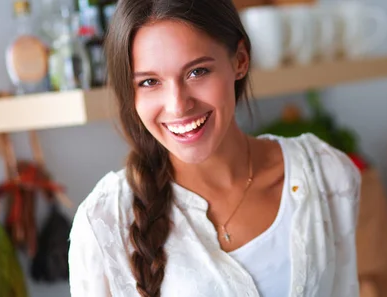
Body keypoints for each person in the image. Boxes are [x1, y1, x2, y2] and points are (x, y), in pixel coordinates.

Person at [68, 0, 361, 296]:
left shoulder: (326, 175)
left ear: (240, 60)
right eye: (149, 82)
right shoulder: (104, 221)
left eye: (197, 72)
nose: (178, 105)